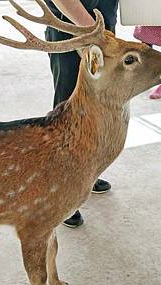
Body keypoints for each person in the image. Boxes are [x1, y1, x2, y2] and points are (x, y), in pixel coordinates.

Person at [45, 0, 119, 228]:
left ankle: (88, 174)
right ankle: (63, 194)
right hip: (71, 28)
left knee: (99, 106)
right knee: (69, 111)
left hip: (102, 27)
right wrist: (91, 31)